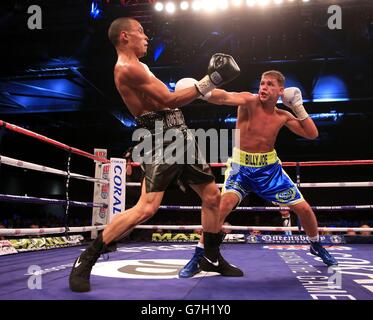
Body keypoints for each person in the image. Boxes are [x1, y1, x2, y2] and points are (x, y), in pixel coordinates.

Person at [69, 17, 243, 292]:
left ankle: (210, 257)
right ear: (125, 36)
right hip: (159, 136)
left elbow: (169, 102)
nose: (146, 36)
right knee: (147, 207)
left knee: (212, 197)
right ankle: (86, 258)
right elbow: (169, 100)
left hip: (179, 132)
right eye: (140, 31)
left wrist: (205, 85)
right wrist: (212, 80)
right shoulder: (128, 69)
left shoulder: (140, 66)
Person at [177, 70, 338, 278]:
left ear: (281, 91)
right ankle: (200, 255)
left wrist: (297, 106)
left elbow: (311, 133)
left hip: (269, 171)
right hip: (240, 168)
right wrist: (201, 89)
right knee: (221, 206)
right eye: (262, 83)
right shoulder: (248, 101)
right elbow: (223, 96)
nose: (264, 87)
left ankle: (316, 244)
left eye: (270, 84)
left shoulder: (283, 115)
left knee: (304, 209)